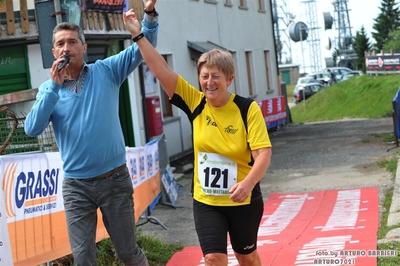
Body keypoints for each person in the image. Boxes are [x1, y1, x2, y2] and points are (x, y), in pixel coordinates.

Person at [123, 10, 272, 266]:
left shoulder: (248, 109)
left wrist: (247, 184)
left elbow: (264, 154)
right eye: (204, 76)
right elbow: (162, 69)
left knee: (246, 257)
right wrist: (138, 34)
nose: (209, 82)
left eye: (216, 76)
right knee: (213, 258)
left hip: (243, 199)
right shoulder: (195, 102)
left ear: (229, 79)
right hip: (206, 200)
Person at [24, 1, 159, 265]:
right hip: (76, 187)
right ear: (53, 52)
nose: (66, 48)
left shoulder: (106, 71)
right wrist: (53, 86)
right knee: (83, 258)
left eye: (73, 42)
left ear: (84, 48)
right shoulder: (47, 90)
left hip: (115, 180)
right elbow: (32, 128)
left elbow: (144, 50)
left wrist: (148, 18)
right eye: (61, 44)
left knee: (127, 253)